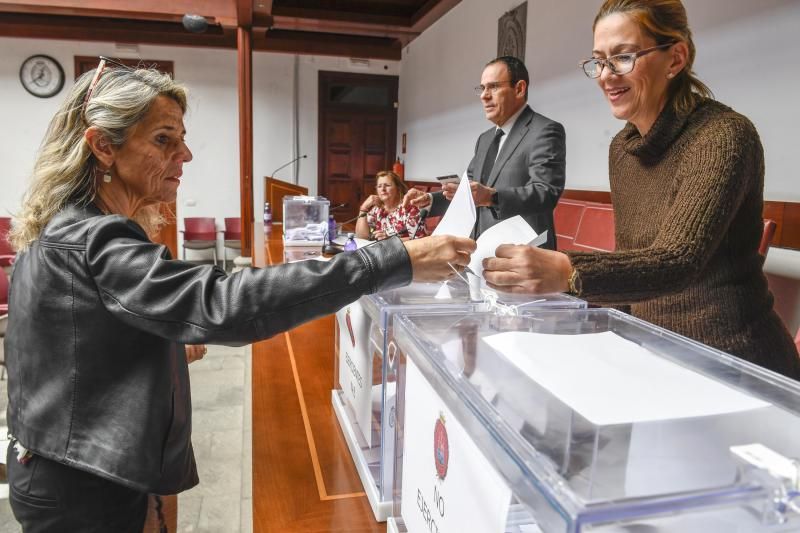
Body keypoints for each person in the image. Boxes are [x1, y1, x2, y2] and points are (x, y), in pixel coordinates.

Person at [4, 59, 475, 531]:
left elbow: (77, 343)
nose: (185, 155)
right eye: (164, 140)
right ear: (104, 147)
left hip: (80, 466)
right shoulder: (93, 239)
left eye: (181, 139)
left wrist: (157, 342)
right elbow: (222, 304)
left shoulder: (75, 228)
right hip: (82, 488)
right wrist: (392, 260)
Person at [482, 0, 800, 379]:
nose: (605, 75)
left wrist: (567, 271)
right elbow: (635, 263)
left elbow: (678, 261)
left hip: (734, 361)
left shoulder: (723, 135)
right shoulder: (624, 147)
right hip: (654, 350)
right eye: (599, 60)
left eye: (623, 57)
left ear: (676, 58)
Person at [403, 56, 566, 249]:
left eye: (494, 87)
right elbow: (468, 193)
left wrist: (492, 197)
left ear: (520, 88)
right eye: (482, 88)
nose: (484, 96)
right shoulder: (485, 139)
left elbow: (545, 192)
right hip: (480, 249)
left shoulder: (545, 130)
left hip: (523, 253)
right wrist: (430, 200)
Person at [355, 170, 428, 241]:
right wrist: (363, 208)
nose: (383, 189)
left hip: (406, 251)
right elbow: (361, 236)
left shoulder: (409, 208)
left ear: (398, 188)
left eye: (387, 185)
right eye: (379, 186)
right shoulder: (377, 209)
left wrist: (390, 240)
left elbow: (419, 238)